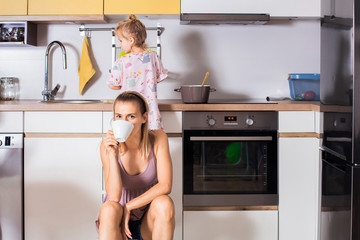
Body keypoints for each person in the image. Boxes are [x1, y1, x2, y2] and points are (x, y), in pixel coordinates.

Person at [96, 91, 175, 240]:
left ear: (144, 118)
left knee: (165, 203)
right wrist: (112, 155)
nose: (123, 122)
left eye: (131, 116)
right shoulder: (106, 146)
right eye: (119, 116)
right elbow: (114, 196)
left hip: (147, 222)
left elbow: (166, 185)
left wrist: (129, 206)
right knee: (108, 209)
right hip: (118, 226)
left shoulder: (158, 138)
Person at [107, 14, 168, 130]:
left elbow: (113, 85)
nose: (120, 44)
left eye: (120, 40)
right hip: (150, 111)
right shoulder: (153, 57)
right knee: (152, 143)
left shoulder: (121, 61)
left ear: (131, 40)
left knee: (131, 142)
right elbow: (159, 78)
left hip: (129, 113)